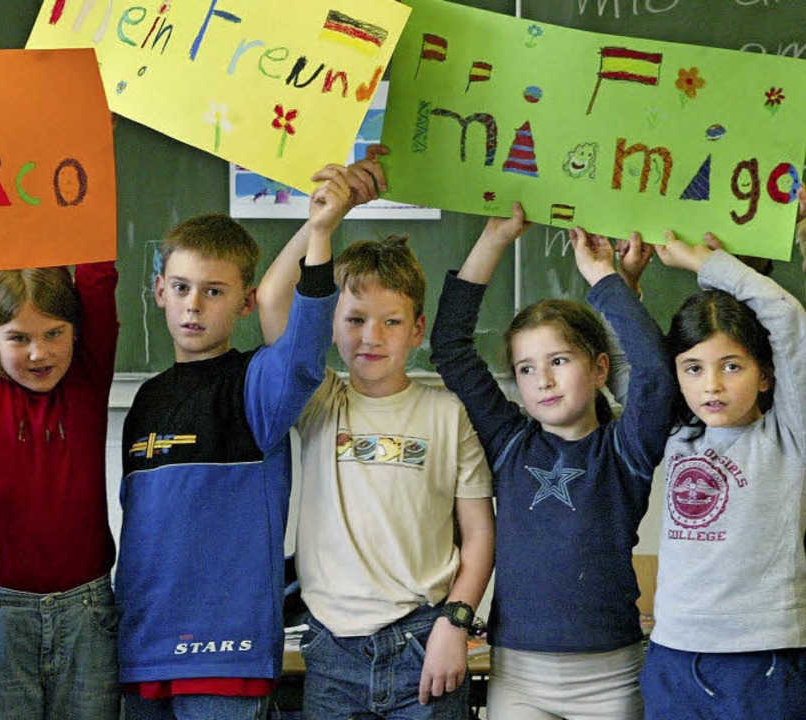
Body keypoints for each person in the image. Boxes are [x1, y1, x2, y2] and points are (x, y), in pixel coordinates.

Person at [256, 155, 495, 718]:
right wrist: (324, 225)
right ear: (330, 325)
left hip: (423, 643)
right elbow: (271, 300)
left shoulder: (446, 414)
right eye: (355, 318)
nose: (371, 336)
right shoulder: (318, 401)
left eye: (391, 322)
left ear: (417, 331)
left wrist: (455, 625)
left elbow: (479, 536)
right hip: (332, 655)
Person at [115, 162, 356, 720]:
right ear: (159, 292)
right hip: (144, 651)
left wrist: (320, 236)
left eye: (214, 291)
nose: (194, 305)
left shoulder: (258, 383)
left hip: (227, 653)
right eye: (181, 288)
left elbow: (302, 351)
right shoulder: (146, 400)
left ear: (246, 302)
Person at [429, 205, 678, 719]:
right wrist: (494, 239)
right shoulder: (509, 440)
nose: (542, 380)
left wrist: (606, 279)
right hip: (518, 678)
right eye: (526, 368)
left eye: (559, 361)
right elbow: (450, 348)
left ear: (600, 368)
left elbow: (656, 373)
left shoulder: (625, 450)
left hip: (612, 678)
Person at [639, 232, 806, 720]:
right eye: (692, 368)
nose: (710, 385)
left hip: (761, 661)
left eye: (731, 366)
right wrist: (622, 283)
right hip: (673, 653)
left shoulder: (787, 434)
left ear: (766, 375)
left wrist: (705, 262)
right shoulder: (677, 433)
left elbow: (788, 319)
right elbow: (645, 360)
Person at [0, 252, 119, 718]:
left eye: (54, 334)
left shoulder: (88, 376)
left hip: (87, 613)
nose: (39, 353)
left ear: (77, 333)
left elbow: (98, 272)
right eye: (18, 338)